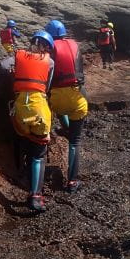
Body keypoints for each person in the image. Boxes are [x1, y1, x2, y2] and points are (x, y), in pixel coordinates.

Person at [0, 30, 55, 211]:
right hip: (38, 107)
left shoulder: (18, 55)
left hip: (20, 108)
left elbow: (3, 65)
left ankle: (21, 172)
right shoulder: (50, 61)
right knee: (39, 152)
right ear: (47, 46)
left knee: (22, 138)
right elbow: (46, 86)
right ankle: (35, 196)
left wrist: (13, 79)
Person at [43, 19, 89, 193]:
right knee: (75, 142)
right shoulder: (74, 44)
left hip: (55, 100)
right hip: (77, 98)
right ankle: (72, 182)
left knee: (55, 106)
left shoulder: (50, 47)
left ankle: (63, 127)